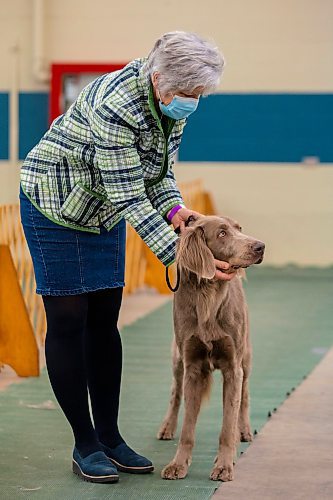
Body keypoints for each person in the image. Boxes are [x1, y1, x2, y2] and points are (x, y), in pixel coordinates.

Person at [19, 31, 234, 484]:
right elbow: (131, 196)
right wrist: (185, 256)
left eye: (199, 95)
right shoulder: (115, 104)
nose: (193, 103)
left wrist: (177, 212)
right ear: (160, 81)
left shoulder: (172, 97)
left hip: (103, 210)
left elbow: (157, 175)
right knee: (68, 320)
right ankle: (85, 443)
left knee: (103, 320)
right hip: (55, 205)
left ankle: (111, 437)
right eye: (190, 95)